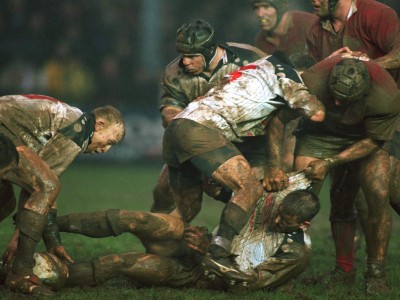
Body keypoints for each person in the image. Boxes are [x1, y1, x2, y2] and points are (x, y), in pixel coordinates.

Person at [162, 52, 325, 283]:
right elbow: (316, 113)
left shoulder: (257, 67)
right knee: (249, 188)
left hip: (176, 128)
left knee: (186, 212)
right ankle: (219, 253)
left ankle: (164, 252)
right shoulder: (288, 75)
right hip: (200, 130)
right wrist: (317, 98)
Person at [35, 173, 320, 292]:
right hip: (199, 246)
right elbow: (226, 193)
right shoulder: (271, 200)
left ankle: (50, 275)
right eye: (280, 212)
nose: (278, 219)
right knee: (144, 220)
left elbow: (250, 283)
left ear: (303, 225)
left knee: (119, 263)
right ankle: (48, 222)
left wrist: (211, 257)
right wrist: (207, 238)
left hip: (200, 274)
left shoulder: (296, 252)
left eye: (286, 221)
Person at [0, 94, 125, 296]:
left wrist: (53, 242)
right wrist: (21, 238)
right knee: (48, 185)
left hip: (5, 130)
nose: (105, 150)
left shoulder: (71, 119)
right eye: (109, 141)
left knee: (5, 202)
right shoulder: (80, 129)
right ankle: (20, 272)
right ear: (99, 125)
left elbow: (37, 184)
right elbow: (42, 186)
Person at [295, 56, 400, 295]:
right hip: (324, 132)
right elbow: (282, 117)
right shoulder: (313, 80)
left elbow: (375, 140)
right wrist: (273, 163)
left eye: (345, 98)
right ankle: (337, 271)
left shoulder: (386, 96)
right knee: (300, 194)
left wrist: (331, 162)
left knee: (379, 191)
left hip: (369, 134)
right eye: (334, 96)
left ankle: (376, 275)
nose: (337, 102)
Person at [152, 19, 266, 214]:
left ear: (209, 50)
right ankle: (158, 236)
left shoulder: (249, 58)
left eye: (191, 56)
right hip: (200, 140)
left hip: (250, 139)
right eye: (182, 55)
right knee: (163, 191)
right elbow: (168, 115)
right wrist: (197, 113)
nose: (184, 61)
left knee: (253, 189)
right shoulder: (174, 73)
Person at [307, 0, 400, 87]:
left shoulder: (376, 14)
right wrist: (329, 62)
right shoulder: (314, 30)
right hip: (343, 101)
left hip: (387, 95)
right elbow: (311, 76)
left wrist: (366, 67)